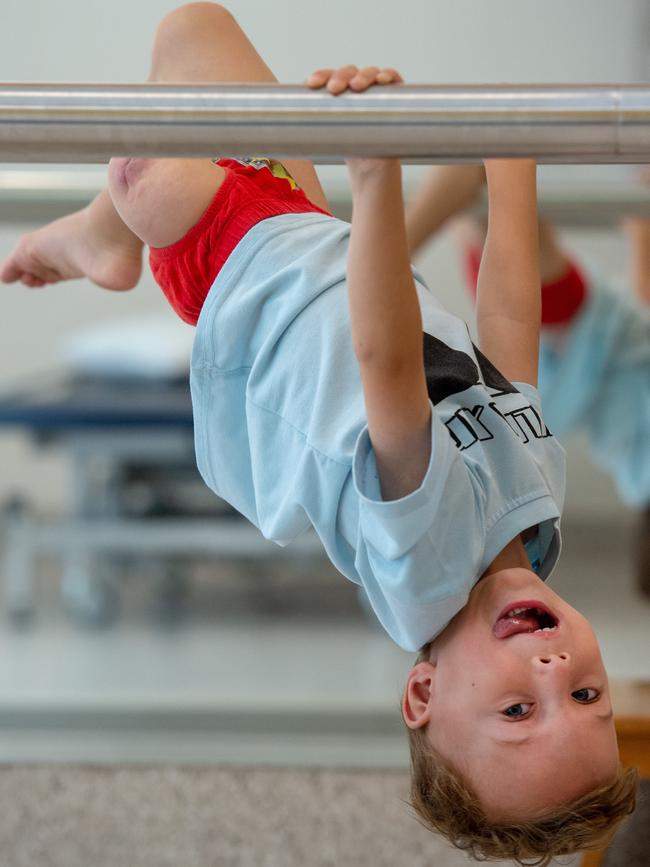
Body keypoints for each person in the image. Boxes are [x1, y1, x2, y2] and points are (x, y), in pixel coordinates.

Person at [0, 4, 638, 863]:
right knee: (195, 30)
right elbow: (508, 332)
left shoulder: (427, 567)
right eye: (590, 692)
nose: (556, 673)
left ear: (423, 692)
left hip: (239, 273)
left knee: (145, 161)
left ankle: (111, 227)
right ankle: (101, 240)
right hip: (302, 228)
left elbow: (384, 360)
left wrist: (375, 173)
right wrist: (511, 157)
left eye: (519, 711)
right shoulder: (538, 525)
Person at [406, 165, 650, 595]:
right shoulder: (637, 476)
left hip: (575, 336)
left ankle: (368, 263)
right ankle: (375, 258)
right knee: (484, 191)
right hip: (571, 341)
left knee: (483, 182)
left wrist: (642, 231)